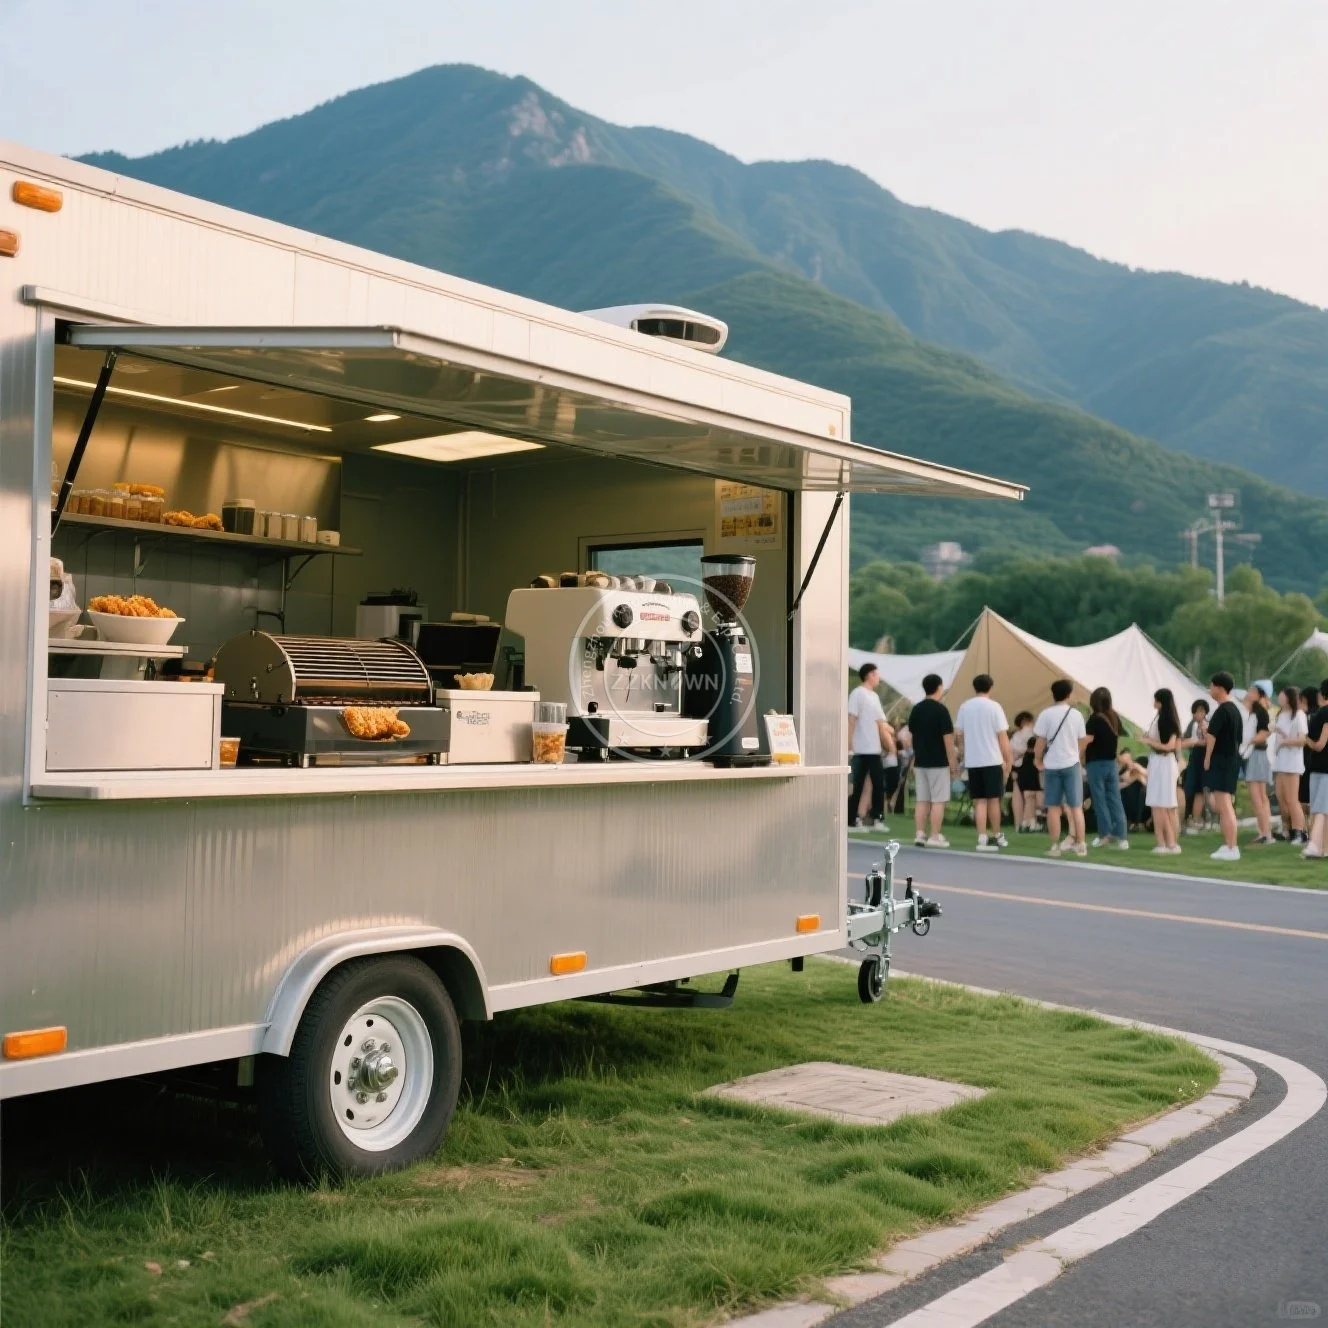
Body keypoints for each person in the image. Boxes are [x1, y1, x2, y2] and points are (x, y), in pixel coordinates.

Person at [954, 674, 1012, 853]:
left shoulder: (965, 707)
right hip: (992, 759)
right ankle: (997, 834)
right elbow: (1002, 736)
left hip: (974, 760)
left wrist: (964, 753)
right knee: (994, 800)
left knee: (979, 801)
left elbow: (959, 734)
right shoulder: (995, 707)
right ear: (990, 687)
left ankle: (981, 835)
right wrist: (1007, 758)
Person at [1034, 679, 1088, 857]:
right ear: (1070, 694)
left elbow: (1040, 741)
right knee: (1076, 806)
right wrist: (1077, 754)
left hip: (1052, 765)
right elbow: (1082, 740)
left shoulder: (1045, 714)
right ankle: (1081, 844)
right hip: (1071, 764)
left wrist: (1038, 759)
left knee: (1053, 807)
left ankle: (1055, 845)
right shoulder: (1077, 715)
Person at [908, 673, 957, 848]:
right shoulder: (941, 710)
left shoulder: (917, 709)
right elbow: (948, 740)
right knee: (938, 800)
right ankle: (935, 835)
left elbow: (910, 735)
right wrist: (953, 764)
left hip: (920, 760)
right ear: (939, 687)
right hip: (938, 762)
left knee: (922, 799)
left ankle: (919, 833)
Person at [847, 663, 895, 829]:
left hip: (874, 748)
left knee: (878, 785)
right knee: (857, 786)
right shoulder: (857, 694)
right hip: (860, 749)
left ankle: (877, 818)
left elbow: (881, 722)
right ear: (869, 675)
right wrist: (849, 744)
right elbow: (851, 720)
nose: (878, 678)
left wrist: (890, 735)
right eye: (876, 674)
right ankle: (852, 820)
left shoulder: (874, 697)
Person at [1204, 671, 1244, 861]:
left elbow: (1211, 737)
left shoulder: (1222, 711)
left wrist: (1207, 758)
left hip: (1222, 760)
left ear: (1220, 688)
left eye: (1211, 686)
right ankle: (1229, 844)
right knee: (1224, 802)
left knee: (1224, 803)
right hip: (1232, 759)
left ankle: (1232, 847)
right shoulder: (1235, 711)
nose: (1210, 689)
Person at [1085, 686, 1129, 850]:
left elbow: (1087, 740)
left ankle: (1104, 835)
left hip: (1096, 764)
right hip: (1112, 764)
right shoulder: (1114, 717)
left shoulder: (1094, 719)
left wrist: (1076, 753)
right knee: (1114, 799)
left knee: (1099, 800)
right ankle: (1122, 836)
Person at [1143, 688, 1182, 854]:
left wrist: (1149, 742)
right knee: (1161, 803)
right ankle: (1169, 842)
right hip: (1161, 762)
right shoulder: (1162, 718)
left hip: (1163, 762)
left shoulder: (1167, 721)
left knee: (1160, 804)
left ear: (1160, 702)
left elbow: (1169, 746)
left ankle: (1164, 843)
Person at [1273, 686, 1309, 844]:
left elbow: (1302, 740)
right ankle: (1286, 829)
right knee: (1281, 797)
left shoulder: (1299, 715)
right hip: (1280, 761)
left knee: (1292, 799)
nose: (1280, 699)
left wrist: (1285, 741)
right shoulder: (1281, 714)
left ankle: (1299, 832)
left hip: (1292, 763)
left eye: (1282, 696)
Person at [1241, 684, 1274, 845]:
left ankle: (1265, 833)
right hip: (1257, 754)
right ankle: (1265, 832)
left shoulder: (1261, 713)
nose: (1249, 693)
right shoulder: (1255, 712)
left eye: (1253, 691)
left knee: (1257, 797)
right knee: (1261, 796)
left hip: (1257, 754)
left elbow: (1264, 733)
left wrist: (1248, 742)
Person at [1304, 678, 1328, 860]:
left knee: (1319, 808)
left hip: (1320, 765)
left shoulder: (1322, 714)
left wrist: (1306, 739)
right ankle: (1323, 848)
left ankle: (1314, 845)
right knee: (1324, 809)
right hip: (1323, 767)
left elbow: (1319, 745)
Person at [1180, 700, 1211, 834]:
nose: (1198, 714)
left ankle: (1197, 818)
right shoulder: (1192, 725)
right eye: (1196, 712)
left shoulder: (1207, 725)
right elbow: (1184, 739)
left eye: (1201, 712)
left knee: (1200, 789)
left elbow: (1208, 742)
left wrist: (1197, 741)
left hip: (1203, 757)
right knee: (1189, 787)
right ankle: (1186, 817)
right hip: (1194, 757)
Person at [1009, 712, 1042, 832]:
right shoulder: (1031, 732)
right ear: (1026, 721)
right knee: (1031, 795)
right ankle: (1030, 820)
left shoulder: (1015, 736)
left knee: (1017, 794)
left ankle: (1019, 823)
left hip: (1016, 767)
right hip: (1030, 765)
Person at [1298, 687, 1320, 825]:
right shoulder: (1320, 714)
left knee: (1303, 795)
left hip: (1305, 757)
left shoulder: (1305, 716)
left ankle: (1305, 825)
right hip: (1317, 759)